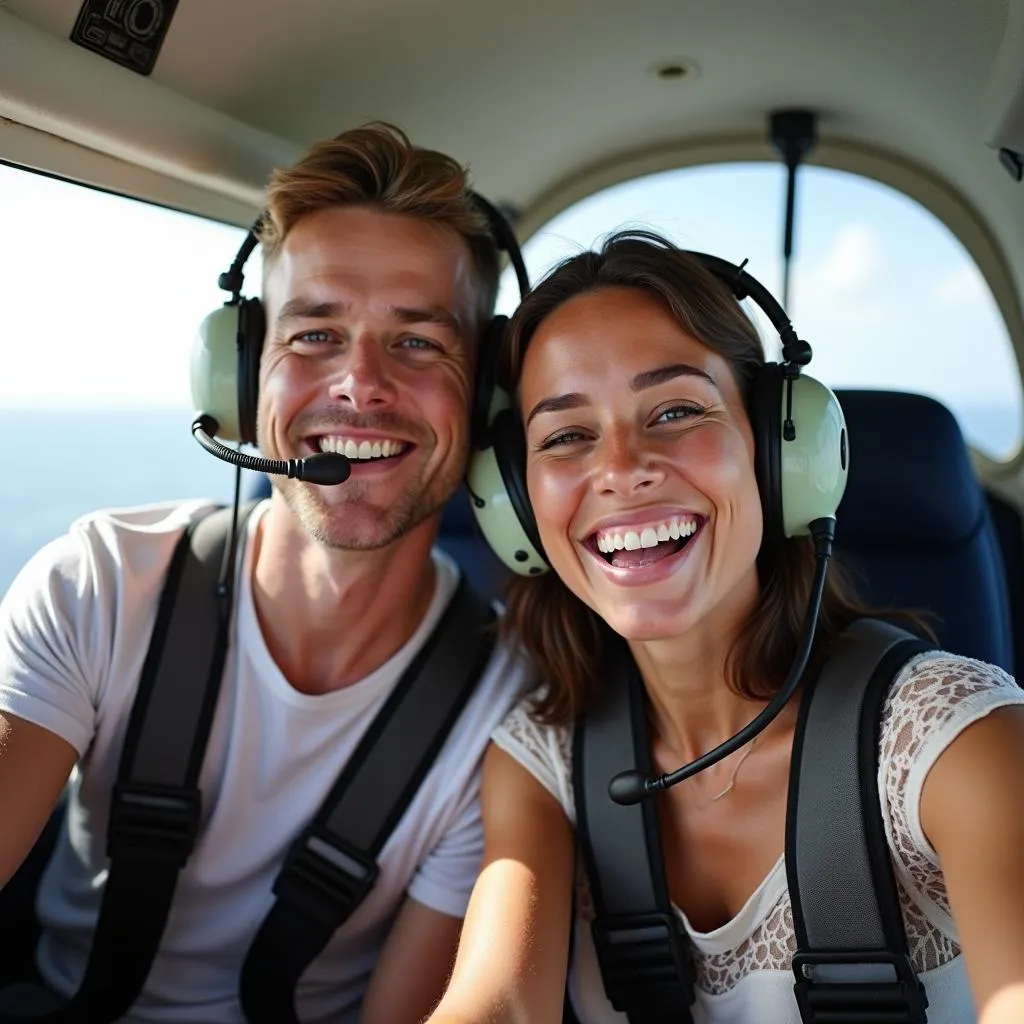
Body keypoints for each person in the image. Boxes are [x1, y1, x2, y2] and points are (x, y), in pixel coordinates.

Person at [0, 122, 531, 1023]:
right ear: (242, 379)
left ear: (487, 401)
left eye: (416, 343)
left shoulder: (505, 712)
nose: (360, 385)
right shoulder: (99, 585)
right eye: (316, 334)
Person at [428, 231, 1024, 1024]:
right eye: (567, 435)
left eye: (676, 410)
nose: (620, 467)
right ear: (518, 505)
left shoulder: (959, 742)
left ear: (781, 454)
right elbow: (497, 1003)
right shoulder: (541, 764)